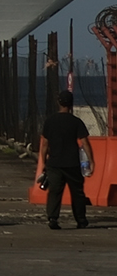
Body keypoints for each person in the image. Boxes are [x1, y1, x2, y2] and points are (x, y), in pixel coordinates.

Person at [38, 89, 92, 230]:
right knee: (77, 193)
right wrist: (91, 161)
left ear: (59, 103)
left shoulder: (50, 121)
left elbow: (45, 144)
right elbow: (85, 143)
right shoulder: (76, 122)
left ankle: (53, 218)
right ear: (71, 104)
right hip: (72, 163)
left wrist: (44, 162)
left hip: (55, 163)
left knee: (55, 191)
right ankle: (81, 219)